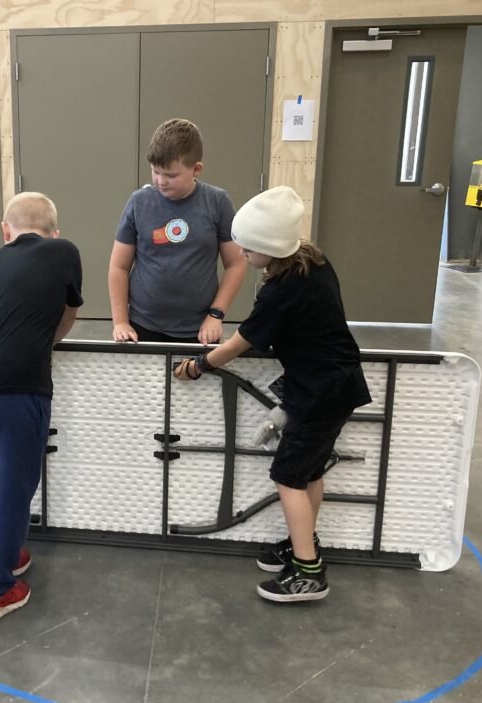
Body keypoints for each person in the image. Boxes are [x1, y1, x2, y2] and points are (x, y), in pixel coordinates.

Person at [174, 186, 371, 603]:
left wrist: (199, 365)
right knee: (308, 472)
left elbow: (241, 342)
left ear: (272, 246)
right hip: (333, 386)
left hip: (320, 393)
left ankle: (308, 573)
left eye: (248, 247)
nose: (241, 253)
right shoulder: (313, 262)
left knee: (288, 475)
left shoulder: (282, 289)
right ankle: (303, 546)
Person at [0, 192, 83, 622]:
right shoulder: (63, 251)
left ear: (6, 231)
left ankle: (5, 555)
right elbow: (67, 315)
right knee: (14, 486)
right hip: (16, 385)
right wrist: (43, 342)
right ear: (53, 232)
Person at [108, 118, 246, 345]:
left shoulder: (217, 202)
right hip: (142, 326)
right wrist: (120, 322)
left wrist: (216, 315)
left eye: (171, 175)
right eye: (155, 172)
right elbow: (118, 267)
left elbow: (236, 263)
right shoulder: (138, 202)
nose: (161, 181)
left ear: (196, 169)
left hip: (200, 330)